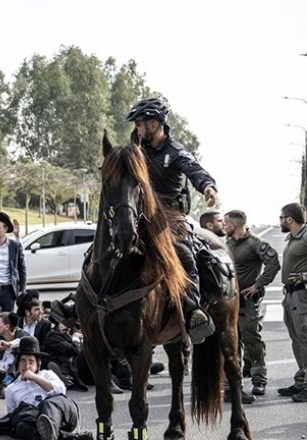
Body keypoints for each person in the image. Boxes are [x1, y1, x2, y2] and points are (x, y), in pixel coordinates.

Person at [126, 98, 217, 344]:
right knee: (106, 246)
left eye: (141, 124)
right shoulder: (137, 147)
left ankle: (194, 310)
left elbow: (195, 170)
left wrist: (207, 187)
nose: (138, 129)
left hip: (172, 218)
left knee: (183, 252)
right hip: (141, 216)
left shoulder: (175, 152)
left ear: (155, 123)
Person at [223, 210, 279, 397]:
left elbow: (273, 263)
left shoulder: (255, 243)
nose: (224, 226)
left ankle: (259, 379)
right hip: (230, 300)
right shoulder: (228, 243)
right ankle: (234, 381)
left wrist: (258, 285)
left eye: (226, 223)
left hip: (248, 301)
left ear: (235, 225)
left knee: (252, 339)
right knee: (232, 340)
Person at [2, 336, 93, 440]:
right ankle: (68, 437)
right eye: (23, 361)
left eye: (31, 362)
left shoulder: (47, 374)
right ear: (18, 364)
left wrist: (35, 378)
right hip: (36, 421)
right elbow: (13, 415)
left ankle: (50, 430)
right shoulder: (11, 389)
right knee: (20, 426)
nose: (26, 366)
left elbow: (61, 390)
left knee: (48, 403)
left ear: (38, 364)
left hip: (64, 416)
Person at [277, 203, 307, 402]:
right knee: (297, 339)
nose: (280, 221)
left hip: (302, 295)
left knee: (305, 339)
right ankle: (301, 379)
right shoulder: (293, 237)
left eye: (281, 217)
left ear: (289, 219)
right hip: (290, 295)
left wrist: (305, 275)